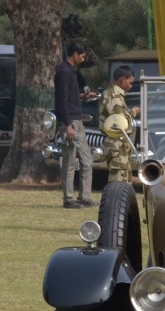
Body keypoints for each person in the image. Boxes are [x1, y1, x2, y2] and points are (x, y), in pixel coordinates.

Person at [54, 41, 98, 209]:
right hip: (70, 122)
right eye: (82, 55)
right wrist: (67, 125)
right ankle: (68, 199)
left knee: (87, 160)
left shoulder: (72, 71)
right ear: (75, 54)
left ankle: (85, 197)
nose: (84, 58)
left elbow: (70, 97)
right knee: (70, 161)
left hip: (77, 120)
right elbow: (61, 101)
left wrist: (83, 97)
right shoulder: (64, 72)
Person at [99, 65, 140, 183]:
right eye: (130, 82)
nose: (131, 86)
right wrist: (133, 112)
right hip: (116, 143)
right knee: (118, 181)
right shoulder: (115, 96)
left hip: (119, 143)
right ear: (122, 80)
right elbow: (119, 122)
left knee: (125, 179)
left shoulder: (112, 93)